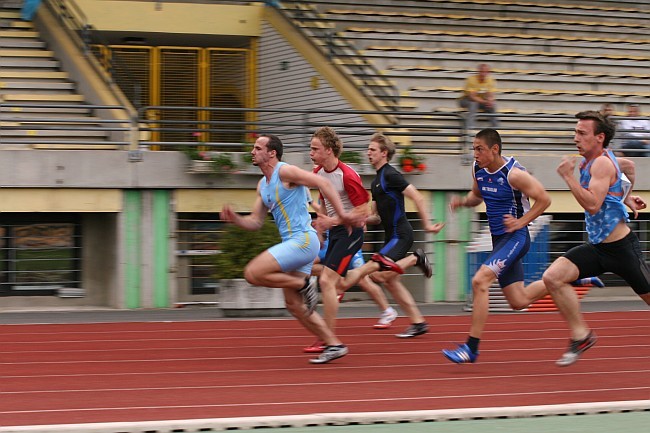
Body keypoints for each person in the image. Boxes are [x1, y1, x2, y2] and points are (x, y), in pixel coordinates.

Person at [220, 134, 360, 364]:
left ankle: (304, 284)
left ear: (271, 153)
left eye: (257, 148)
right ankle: (334, 344)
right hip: (294, 244)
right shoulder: (262, 185)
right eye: (253, 148)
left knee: (252, 273)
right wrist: (235, 219)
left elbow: (323, 183)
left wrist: (342, 215)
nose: (252, 152)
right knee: (294, 305)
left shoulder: (285, 172)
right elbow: (255, 222)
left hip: (303, 240)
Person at [440, 128, 557, 363]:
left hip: (516, 237)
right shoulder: (479, 170)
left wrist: (520, 222)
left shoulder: (514, 174)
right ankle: (564, 279)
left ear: (495, 149)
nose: (475, 154)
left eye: (479, 149)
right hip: (499, 240)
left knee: (479, 281)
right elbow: (477, 196)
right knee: (519, 300)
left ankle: (471, 348)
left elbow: (544, 199)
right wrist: (463, 203)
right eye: (473, 149)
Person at [542, 110, 649, 366]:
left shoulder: (600, 163)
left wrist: (567, 177)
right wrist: (626, 198)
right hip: (599, 248)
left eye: (582, 133)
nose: (575, 137)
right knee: (552, 277)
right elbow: (628, 168)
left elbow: (592, 204)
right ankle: (582, 335)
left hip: (622, 250)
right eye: (575, 132)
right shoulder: (594, 161)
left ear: (599, 138)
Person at [338, 133, 445, 339]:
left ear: (384, 153)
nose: (368, 153)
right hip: (391, 237)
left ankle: (416, 258)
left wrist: (428, 225)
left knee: (375, 273)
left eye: (372, 150)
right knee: (389, 280)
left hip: (401, 234)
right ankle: (418, 322)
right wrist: (352, 219)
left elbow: (417, 197)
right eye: (368, 150)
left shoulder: (391, 175)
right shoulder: (376, 181)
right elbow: (375, 218)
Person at [305, 126, 372, 353]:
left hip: (352, 233)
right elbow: (324, 200)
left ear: (329, 150)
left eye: (315, 149)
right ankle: (370, 268)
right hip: (334, 232)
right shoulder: (318, 173)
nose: (311, 153)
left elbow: (365, 209)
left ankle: (328, 339)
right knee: (339, 282)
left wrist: (331, 223)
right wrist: (321, 231)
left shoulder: (347, 175)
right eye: (311, 148)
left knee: (326, 281)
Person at [458, 64, 499, 131]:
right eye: (482, 72)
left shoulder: (490, 80)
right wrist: (485, 101)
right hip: (465, 100)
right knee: (473, 104)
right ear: (478, 71)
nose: (483, 74)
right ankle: (470, 127)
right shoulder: (471, 79)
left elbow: (491, 94)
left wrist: (490, 101)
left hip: (481, 101)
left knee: (492, 105)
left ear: (488, 72)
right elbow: (472, 97)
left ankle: (496, 128)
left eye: (485, 72)